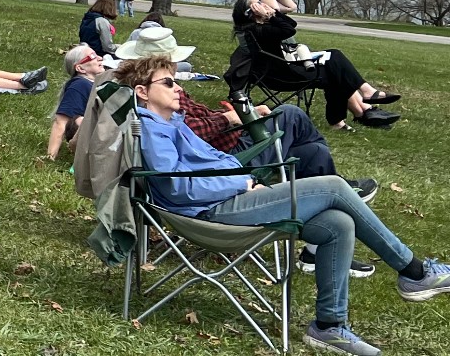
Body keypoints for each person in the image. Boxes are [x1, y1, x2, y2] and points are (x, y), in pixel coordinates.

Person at [118, 54, 450, 355]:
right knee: (334, 186)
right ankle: (415, 272)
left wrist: (246, 178)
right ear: (142, 92)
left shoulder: (172, 123)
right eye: (168, 82)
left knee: (338, 224)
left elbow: (215, 159)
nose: (178, 88)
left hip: (229, 198)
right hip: (208, 214)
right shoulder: (150, 129)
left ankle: (328, 327)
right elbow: (177, 188)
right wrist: (243, 182)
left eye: (176, 81)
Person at [113, 24, 381, 276]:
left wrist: (229, 127)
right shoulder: (158, 119)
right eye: (170, 79)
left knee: (314, 153)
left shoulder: (167, 107)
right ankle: (407, 266)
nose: (177, 84)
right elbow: (179, 177)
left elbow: (193, 139)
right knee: (292, 116)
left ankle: (321, 252)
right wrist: (232, 128)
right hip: (219, 184)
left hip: (224, 167)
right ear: (145, 87)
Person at [227, 0, 400, 130]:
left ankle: (359, 111)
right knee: (334, 67)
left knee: (334, 63)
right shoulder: (254, 18)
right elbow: (283, 19)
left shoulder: (251, 17)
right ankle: (359, 108)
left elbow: (290, 7)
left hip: (285, 62)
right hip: (283, 71)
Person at [47, 44, 103, 158]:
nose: (100, 58)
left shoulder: (96, 83)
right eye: (92, 56)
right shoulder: (80, 85)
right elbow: (60, 122)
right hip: (91, 136)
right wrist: (50, 156)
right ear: (80, 68)